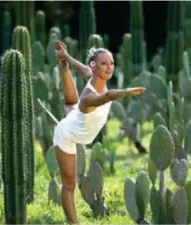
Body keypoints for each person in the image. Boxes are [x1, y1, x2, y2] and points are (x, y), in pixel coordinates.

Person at [52, 41, 146, 224]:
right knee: (69, 185)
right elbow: (107, 97)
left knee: (71, 107)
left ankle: (63, 67)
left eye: (111, 63)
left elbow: (83, 70)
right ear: (95, 66)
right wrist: (127, 92)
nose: (109, 67)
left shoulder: (94, 76)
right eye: (104, 64)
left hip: (76, 118)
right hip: (67, 134)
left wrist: (68, 58)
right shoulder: (89, 96)